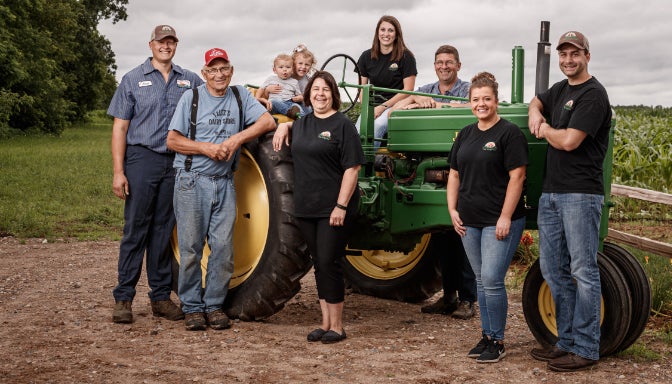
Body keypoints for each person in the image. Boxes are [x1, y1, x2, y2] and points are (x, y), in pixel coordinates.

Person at [166, 48, 276, 331]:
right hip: (192, 180)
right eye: (213, 70)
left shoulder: (240, 96)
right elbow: (173, 141)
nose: (219, 75)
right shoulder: (191, 98)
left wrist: (237, 139)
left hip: (224, 183)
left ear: (231, 71)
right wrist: (205, 148)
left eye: (223, 69)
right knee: (190, 248)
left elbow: (268, 121)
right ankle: (192, 307)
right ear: (205, 74)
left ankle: (214, 305)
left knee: (224, 249)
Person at [107, 24, 203, 324]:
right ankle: (124, 298)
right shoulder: (133, 79)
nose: (166, 46)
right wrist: (118, 172)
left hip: (175, 161)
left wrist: (263, 96)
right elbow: (120, 128)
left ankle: (160, 298)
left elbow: (218, 93)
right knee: (136, 229)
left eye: (171, 41)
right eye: (161, 41)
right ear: (151, 45)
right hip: (142, 158)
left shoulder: (189, 79)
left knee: (163, 231)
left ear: (176, 45)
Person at [528, 31, 612, 372]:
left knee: (583, 270)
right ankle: (564, 342)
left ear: (587, 56)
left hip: (580, 194)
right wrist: (536, 112)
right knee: (552, 269)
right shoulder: (561, 90)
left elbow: (569, 141)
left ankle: (588, 347)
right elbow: (538, 100)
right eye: (563, 54)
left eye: (574, 54)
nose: (567, 60)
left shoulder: (593, 95)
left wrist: (544, 130)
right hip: (551, 194)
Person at [272, 71, 365, 344]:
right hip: (306, 206)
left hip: (334, 207)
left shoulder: (342, 125)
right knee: (318, 263)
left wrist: (340, 206)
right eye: (315, 90)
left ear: (333, 93)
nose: (320, 94)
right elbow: (291, 130)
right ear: (309, 94)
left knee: (329, 261)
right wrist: (283, 126)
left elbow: (353, 168)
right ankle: (324, 322)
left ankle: (337, 326)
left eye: (325, 89)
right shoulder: (302, 123)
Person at [389, 45, 476, 320]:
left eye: (449, 62)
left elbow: (472, 109)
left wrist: (437, 104)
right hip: (432, 169)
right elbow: (398, 108)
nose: (444, 66)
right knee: (441, 237)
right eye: (439, 62)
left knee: (463, 236)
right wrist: (415, 101)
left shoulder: (466, 89)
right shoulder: (425, 88)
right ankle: (449, 296)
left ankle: (469, 299)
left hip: (463, 167)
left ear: (458, 65)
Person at [447, 72, 528, 363]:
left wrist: (506, 216)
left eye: (487, 99)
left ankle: (498, 341)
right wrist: (453, 210)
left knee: (492, 279)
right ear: (470, 102)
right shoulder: (466, 134)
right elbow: (454, 174)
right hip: (469, 220)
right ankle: (487, 335)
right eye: (476, 99)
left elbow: (517, 176)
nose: (481, 104)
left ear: (496, 100)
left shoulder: (509, 133)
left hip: (499, 219)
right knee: (481, 280)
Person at [356, 15, 416, 148]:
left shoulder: (406, 57)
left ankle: (365, 166)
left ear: (397, 34)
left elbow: (408, 90)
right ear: (377, 32)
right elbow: (361, 88)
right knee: (357, 133)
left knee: (376, 127)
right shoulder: (366, 56)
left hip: (394, 107)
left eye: (390, 30)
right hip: (371, 106)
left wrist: (383, 107)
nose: (386, 34)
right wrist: (368, 108)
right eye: (383, 30)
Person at [256, 53, 304, 120]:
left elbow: (299, 95)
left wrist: (299, 98)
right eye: (281, 67)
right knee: (275, 102)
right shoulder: (271, 79)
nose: (284, 69)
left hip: (289, 102)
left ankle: (304, 122)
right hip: (274, 103)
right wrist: (257, 98)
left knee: (298, 107)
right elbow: (261, 88)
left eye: (288, 67)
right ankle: (289, 112)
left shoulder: (294, 82)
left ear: (292, 70)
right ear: (274, 70)